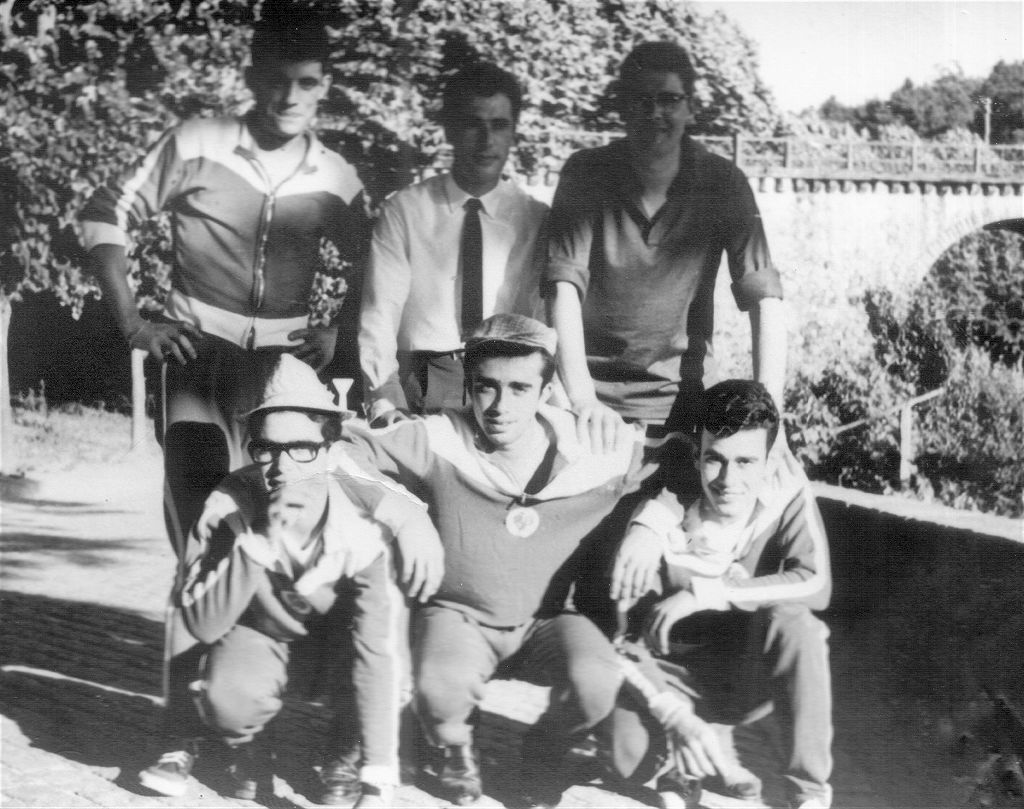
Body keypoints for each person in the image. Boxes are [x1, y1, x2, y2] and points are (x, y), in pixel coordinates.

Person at [343, 313, 679, 807]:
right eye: (487, 387)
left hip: (550, 620)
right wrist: (405, 515)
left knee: (596, 683)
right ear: (468, 387)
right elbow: (344, 452)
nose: (500, 407)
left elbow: (687, 463)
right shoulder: (440, 437)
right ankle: (454, 745)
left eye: (520, 388)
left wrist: (653, 525)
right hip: (462, 615)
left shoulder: (597, 448)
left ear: (547, 392)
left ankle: (544, 750)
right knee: (439, 691)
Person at [80, 17, 370, 551]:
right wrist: (133, 324)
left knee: (283, 528)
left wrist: (338, 331)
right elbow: (105, 213)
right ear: (251, 78)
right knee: (202, 527)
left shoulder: (335, 175)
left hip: (285, 365)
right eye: (276, 81)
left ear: (324, 86)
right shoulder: (196, 143)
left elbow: (373, 262)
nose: (290, 97)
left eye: (306, 83)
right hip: (197, 357)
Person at [148, 353, 444, 806]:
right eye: (266, 448)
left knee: (385, 643)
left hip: (336, 642)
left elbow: (378, 652)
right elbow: (195, 624)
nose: (281, 467)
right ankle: (245, 744)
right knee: (230, 699)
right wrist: (258, 544)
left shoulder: (364, 520)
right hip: (266, 632)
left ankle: (346, 751)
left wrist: (377, 782)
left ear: (331, 450)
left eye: (301, 448)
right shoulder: (230, 505)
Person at [544, 41, 787, 452]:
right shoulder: (586, 174)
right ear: (623, 108)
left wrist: (770, 419)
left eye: (669, 100)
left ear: (690, 108)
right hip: (590, 405)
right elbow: (562, 288)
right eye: (641, 100)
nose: (655, 113)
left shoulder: (723, 183)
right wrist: (582, 400)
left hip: (685, 407)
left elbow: (765, 300)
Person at [609, 379, 833, 809]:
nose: (730, 480)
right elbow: (622, 641)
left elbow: (815, 582)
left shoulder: (786, 494)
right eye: (716, 459)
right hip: (676, 675)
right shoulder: (657, 520)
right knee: (627, 758)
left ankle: (808, 793)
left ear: (769, 461)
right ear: (697, 456)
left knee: (800, 626)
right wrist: (674, 715)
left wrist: (708, 592)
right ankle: (684, 763)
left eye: (747, 461)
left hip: (742, 674)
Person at [359, 62, 548, 427]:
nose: (486, 140)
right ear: (449, 129)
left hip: (509, 383)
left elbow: (544, 318)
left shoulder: (535, 218)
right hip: (425, 381)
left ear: (514, 131)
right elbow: (380, 312)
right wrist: (386, 397)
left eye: (499, 125)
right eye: (472, 124)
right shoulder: (405, 210)